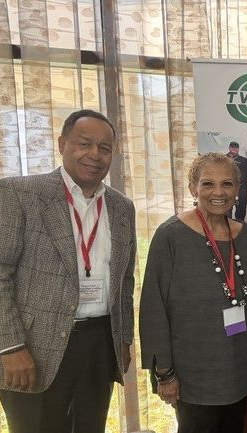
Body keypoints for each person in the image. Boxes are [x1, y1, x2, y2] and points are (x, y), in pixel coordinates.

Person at [0, 109, 137, 433]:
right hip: (33, 348)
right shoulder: (20, 194)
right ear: (62, 144)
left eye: (105, 148)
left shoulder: (121, 206)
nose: (95, 154)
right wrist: (10, 347)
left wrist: (122, 339)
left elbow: (126, 281)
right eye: (85, 144)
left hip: (99, 345)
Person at [139, 153, 247, 433]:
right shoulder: (171, 235)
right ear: (193, 188)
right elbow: (154, 308)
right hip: (192, 376)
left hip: (237, 371)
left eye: (227, 184)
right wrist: (164, 373)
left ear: (237, 190)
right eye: (208, 184)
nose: (218, 192)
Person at [226, 141, 247, 221]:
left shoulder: (244, 160)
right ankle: (227, 224)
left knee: (241, 210)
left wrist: (238, 178)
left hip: (241, 188)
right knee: (226, 210)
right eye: (233, 147)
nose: (234, 149)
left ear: (238, 149)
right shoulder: (223, 159)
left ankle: (239, 225)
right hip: (226, 188)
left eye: (236, 148)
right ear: (229, 148)